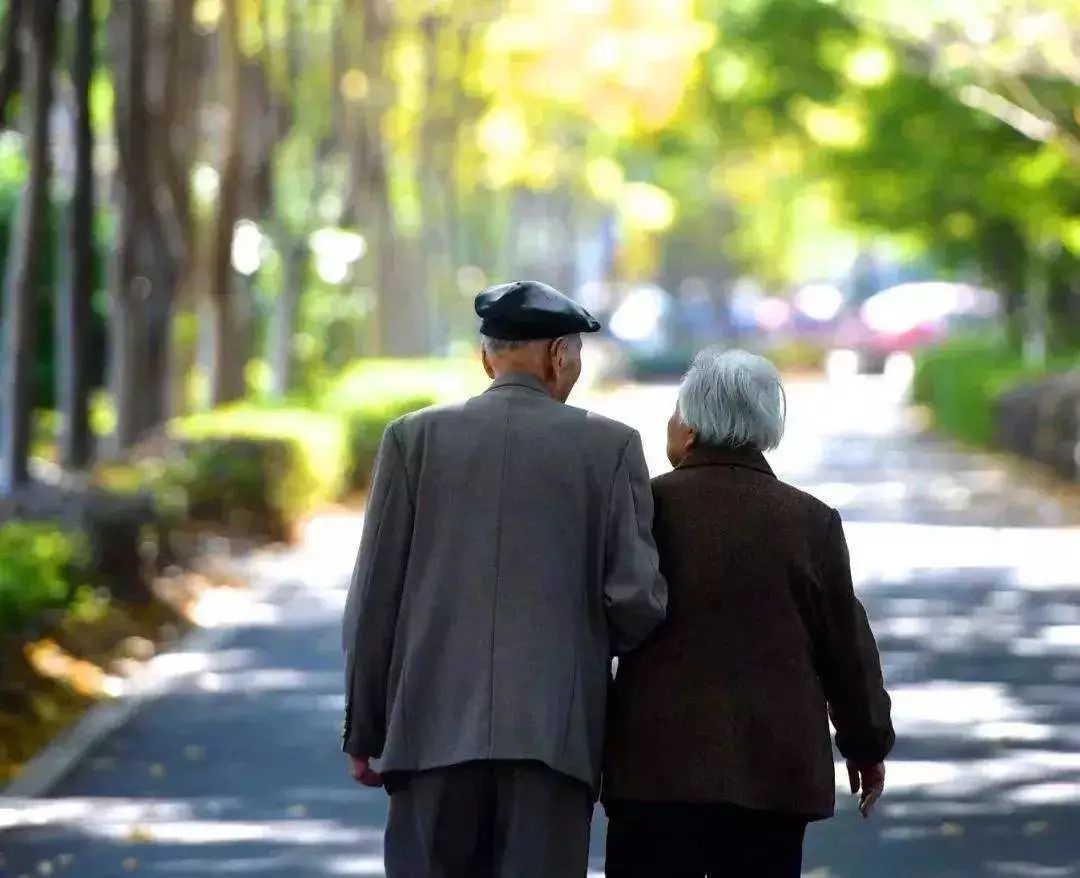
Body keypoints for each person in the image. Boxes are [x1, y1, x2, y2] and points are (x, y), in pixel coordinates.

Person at [342, 280, 668, 878]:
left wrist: (365, 729)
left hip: (427, 738)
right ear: (559, 356)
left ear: (485, 357)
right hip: (553, 743)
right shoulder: (610, 446)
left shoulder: (412, 439)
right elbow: (636, 601)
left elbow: (373, 602)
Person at [603, 348, 895, 878]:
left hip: (654, 768)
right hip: (772, 772)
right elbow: (845, 648)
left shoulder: (644, 507)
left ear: (688, 430)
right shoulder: (809, 522)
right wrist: (866, 744)